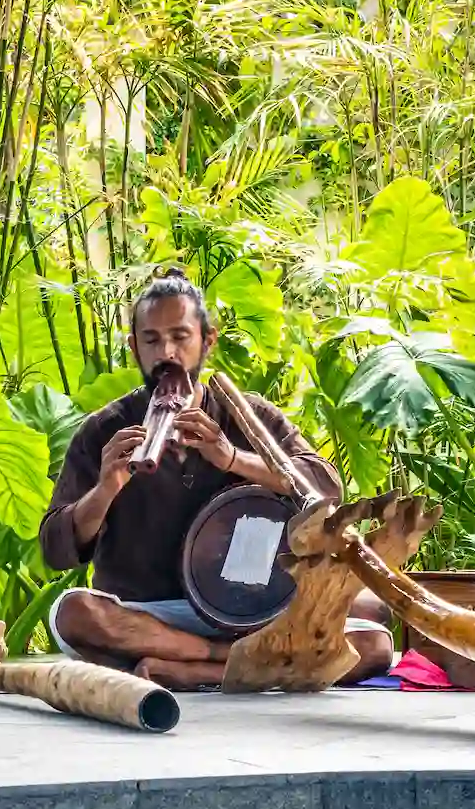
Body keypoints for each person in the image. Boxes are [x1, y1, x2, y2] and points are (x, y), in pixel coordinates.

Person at [38, 269, 393, 690]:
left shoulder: (251, 413)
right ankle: (237, 662)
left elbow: (324, 488)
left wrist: (232, 458)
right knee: (75, 614)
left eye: (180, 336)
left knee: (374, 635)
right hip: (153, 615)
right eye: (151, 340)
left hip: (254, 609)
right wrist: (106, 488)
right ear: (134, 347)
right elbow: (55, 548)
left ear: (208, 340)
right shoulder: (105, 430)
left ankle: (194, 671)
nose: (166, 352)